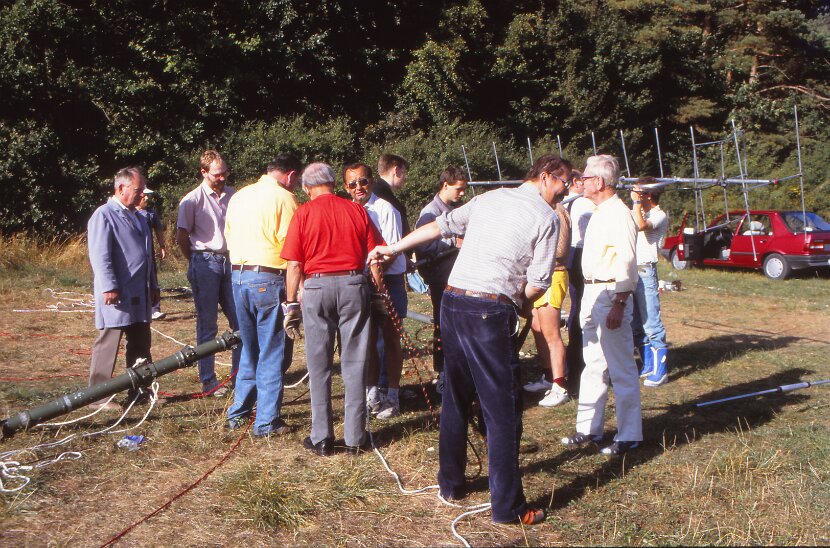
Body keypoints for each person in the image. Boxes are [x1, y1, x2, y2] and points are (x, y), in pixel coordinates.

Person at [369, 153, 572, 526]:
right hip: (487, 313)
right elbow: (538, 282)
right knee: (503, 410)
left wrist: (392, 248)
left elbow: (436, 227)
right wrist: (519, 304)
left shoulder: (489, 198)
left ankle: (451, 483)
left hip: (452, 302)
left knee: (456, 397)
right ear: (545, 177)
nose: (566, 190)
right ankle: (509, 507)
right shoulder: (546, 218)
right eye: (564, 182)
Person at [281, 162, 385, 456]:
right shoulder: (356, 210)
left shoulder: (302, 213)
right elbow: (375, 256)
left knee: (319, 364)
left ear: (306, 187)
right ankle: (354, 437)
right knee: (354, 362)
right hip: (353, 286)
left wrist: (291, 304)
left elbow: (294, 264)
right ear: (333, 184)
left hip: (316, 288)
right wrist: (378, 291)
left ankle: (322, 437)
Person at [561, 155, 642, 456]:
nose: (579, 182)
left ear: (599, 182)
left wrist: (620, 302)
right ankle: (588, 428)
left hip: (611, 294)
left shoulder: (620, 215)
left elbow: (628, 261)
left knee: (620, 367)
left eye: (585, 177)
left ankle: (630, 434)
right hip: (592, 293)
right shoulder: (598, 212)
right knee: (593, 364)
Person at [223, 154, 302, 437]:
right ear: (291, 176)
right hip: (269, 278)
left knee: (249, 347)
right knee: (272, 350)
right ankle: (267, 421)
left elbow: (228, 237)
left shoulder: (239, 196)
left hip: (238, 276)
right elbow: (292, 248)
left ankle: (238, 413)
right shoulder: (284, 199)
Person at [87, 167, 160, 411]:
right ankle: (98, 396)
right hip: (117, 293)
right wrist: (109, 286)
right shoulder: (104, 215)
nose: (142, 195)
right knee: (109, 340)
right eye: (138, 190)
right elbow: (100, 255)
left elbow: (148, 256)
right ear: (121, 188)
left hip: (140, 292)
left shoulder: (139, 217)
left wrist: (153, 285)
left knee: (141, 342)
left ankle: (140, 390)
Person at [176, 149, 241, 396]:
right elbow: (182, 236)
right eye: (217, 174)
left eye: (225, 172)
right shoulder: (191, 200)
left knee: (239, 321)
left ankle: (239, 377)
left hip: (230, 260)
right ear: (204, 172)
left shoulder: (234, 196)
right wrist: (194, 260)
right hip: (205, 260)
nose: (223, 177)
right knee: (208, 325)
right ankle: (209, 380)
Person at [343, 162, 405, 419]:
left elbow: (391, 251)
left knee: (391, 338)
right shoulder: (349, 210)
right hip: (362, 281)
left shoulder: (385, 209)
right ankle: (371, 394)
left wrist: (373, 275)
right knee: (366, 340)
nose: (359, 187)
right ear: (346, 188)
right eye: (352, 184)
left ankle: (393, 394)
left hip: (388, 280)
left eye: (363, 181)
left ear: (371, 181)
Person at [414, 167, 468, 386]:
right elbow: (424, 246)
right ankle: (443, 374)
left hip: (454, 277)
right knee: (443, 325)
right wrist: (455, 242)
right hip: (440, 279)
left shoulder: (451, 209)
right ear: (445, 185)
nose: (462, 193)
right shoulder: (430, 212)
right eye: (459, 189)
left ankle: (454, 369)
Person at [528, 200, 572, 408]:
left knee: (551, 334)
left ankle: (560, 385)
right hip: (540, 276)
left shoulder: (557, 212)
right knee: (537, 327)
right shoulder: (542, 208)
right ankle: (547, 375)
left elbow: (561, 250)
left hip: (553, 276)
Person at [630, 178, 670, 387]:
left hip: (646, 271)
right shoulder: (637, 210)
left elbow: (641, 226)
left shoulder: (658, 214)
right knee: (636, 324)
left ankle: (661, 371)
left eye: (637, 191)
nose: (633, 194)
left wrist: (636, 204)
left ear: (648, 194)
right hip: (631, 271)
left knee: (651, 322)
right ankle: (647, 365)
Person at [563, 170, 592, 398]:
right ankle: (578, 362)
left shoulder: (568, 203)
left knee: (577, 306)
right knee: (580, 307)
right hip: (579, 253)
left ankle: (575, 361)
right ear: (576, 183)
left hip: (573, 254)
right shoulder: (582, 202)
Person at [136, 188, 167, 320]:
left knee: (153, 279)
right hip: (135, 255)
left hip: (149, 254)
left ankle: (155, 309)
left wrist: (162, 246)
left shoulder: (151, 213)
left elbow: (158, 230)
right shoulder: (129, 213)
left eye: (148, 196)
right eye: (144, 196)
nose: (147, 198)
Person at [374, 154, 411, 235]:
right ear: (396, 170)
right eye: (403, 172)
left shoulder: (375, 192)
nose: (405, 177)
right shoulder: (384, 198)